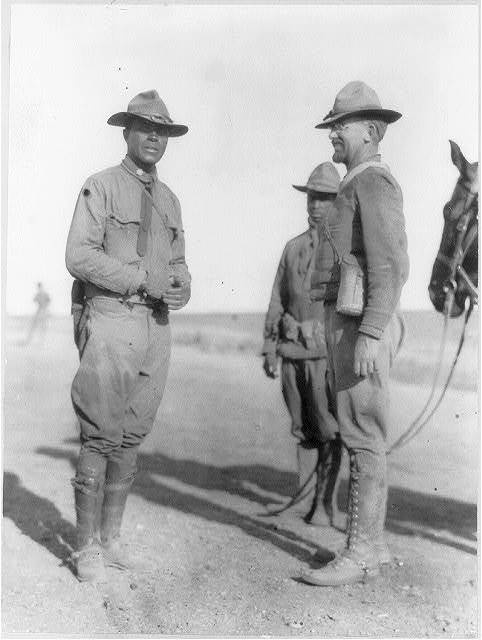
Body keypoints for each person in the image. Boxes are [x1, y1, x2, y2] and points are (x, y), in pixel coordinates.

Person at [65, 90, 191, 583]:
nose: (155, 137)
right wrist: (139, 280)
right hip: (113, 318)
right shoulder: (101, 186)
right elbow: (79, 256)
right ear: (127, 132)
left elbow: (178, 264)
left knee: (133, 432)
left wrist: (183, 285)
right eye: (145, 128)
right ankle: (86, 548)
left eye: (163, 131)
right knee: (99, 431)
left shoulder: (171, 201)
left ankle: (112, 540)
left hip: (156, 325)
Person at [301, 81, 409, 586]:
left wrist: (369, 332)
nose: (333, 136)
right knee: (362, 432)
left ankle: (361, 551)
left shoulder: (373, 181)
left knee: (362, 434)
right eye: (332, 127)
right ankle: (375, 546)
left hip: (360, 328)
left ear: (371, 130)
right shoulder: (357, 181)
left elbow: (389, 265)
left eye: (340, 127)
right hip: (348, 323)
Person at [262, 163, 342, 526]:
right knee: (302, 427)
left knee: (328, 428)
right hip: (292, 354)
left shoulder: (344, 249)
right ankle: (306, 498)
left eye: (324, 199)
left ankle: (325, 505)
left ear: (336, 203)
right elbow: (278, 299)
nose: (315, 206)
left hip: (325, 357)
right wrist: (269, 346)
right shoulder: (292, 248)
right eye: (312, 198)